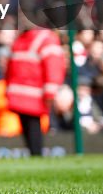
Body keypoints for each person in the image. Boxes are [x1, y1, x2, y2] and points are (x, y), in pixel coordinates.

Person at [6, 27, 66, 156]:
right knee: (33, 126)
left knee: (29, 127)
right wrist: (51, 91)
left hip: (19, 92)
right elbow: (53, 67)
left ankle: (34, 153)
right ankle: (36, 154)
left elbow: (10, 68)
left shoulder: (21, 39)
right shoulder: (47, 39)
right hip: (35, 93)